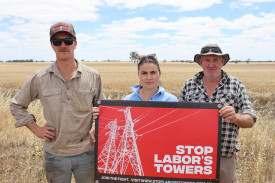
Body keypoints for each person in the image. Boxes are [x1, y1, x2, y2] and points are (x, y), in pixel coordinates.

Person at [10, 22, 105, 183]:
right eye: (57, 42)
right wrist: (36, 129)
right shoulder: (40, 77)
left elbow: (103, 108)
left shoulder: (93, 76)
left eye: (67, 41)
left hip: (87, 153)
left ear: (75, 43)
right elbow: (16, 105)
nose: (63, 45)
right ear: (52, 46)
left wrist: (96, 126)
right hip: (55, 154)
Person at [179, 44, 257, 183]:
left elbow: (250, 120)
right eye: (207, 60)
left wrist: (235, 117)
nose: (211, 64)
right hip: (194, 156)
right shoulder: (188, 85)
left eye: (215, 60)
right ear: (200, 62)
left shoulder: (235, 84)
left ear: (222, 62)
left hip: (225, 156)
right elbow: (179, 120)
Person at [90, 54, 178, 142]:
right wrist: (100, 116)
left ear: (160, 73)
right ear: (138, 75)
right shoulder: (127, 101)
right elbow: (118, 128)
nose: (149, 77)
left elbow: (177, 130)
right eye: (144, 73)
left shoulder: (172, 100)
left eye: (153, 72)